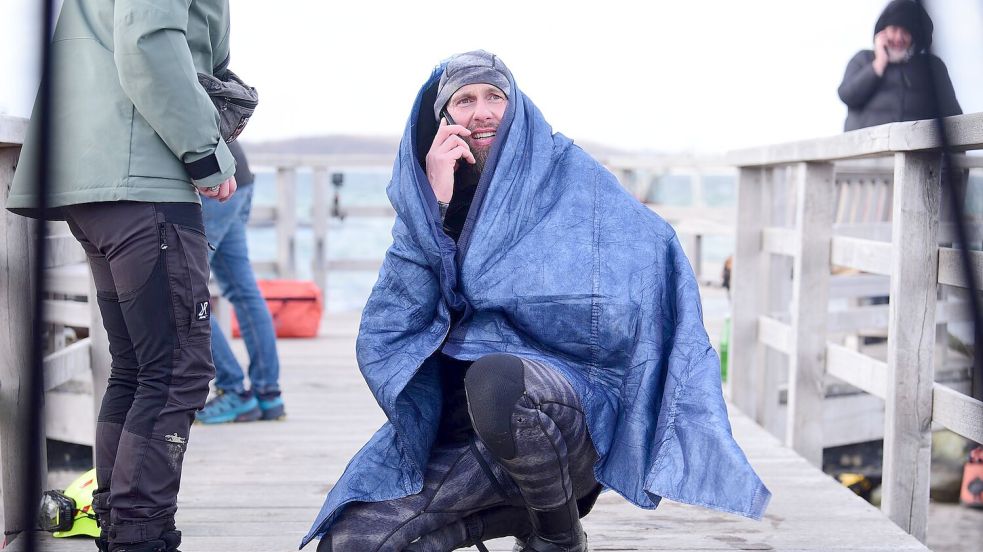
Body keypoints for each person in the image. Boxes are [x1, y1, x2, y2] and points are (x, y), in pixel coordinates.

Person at [303, 50, 770, 552]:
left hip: (560, 412)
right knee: (352, 543)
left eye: (494, 97)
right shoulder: (428, 208)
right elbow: (388, 330)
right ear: (443, 121)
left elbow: (650, 260)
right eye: (463, 100)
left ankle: (558, 538)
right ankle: (513, 519)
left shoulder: (571, 178)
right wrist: (432, 207)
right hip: (466, 432)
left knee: (499, 380)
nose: (481, 111)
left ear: (517, 106)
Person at [6, 1, 237, 551]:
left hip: (97, 174)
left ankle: (119, 521)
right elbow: (148, 43)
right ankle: (141, 536)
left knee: (137, 368)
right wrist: (205, 151)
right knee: (178, 369)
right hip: (141, 177)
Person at [196, 141, 285, 424]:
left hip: (213, 181)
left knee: (183, 288)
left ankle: (233, 388)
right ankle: (267, 394)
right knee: (243, 290)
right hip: (237, 174)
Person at [838, 0, 961, 131]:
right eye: (894, 29)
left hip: (919, 149)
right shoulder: (862, 59)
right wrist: (878, 64)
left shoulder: (932, 67)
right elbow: (847, 95)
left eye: (906, 32)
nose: (899, 37)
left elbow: (952, 113)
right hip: (869, 149)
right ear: (882, 32)